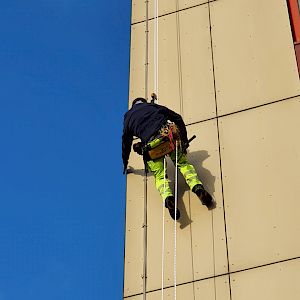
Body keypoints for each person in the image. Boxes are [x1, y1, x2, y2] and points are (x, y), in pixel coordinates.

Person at [122, 97, 212, 220]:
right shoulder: (152, 106)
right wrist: (184, 141)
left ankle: (168, 198)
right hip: (166, 137)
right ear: (144, 102)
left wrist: (125, 163)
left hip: (151, 147)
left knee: (159, 177)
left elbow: (125, 144)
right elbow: (177, 117)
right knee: (182, 163)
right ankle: (197, 187)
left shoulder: (128, 118)